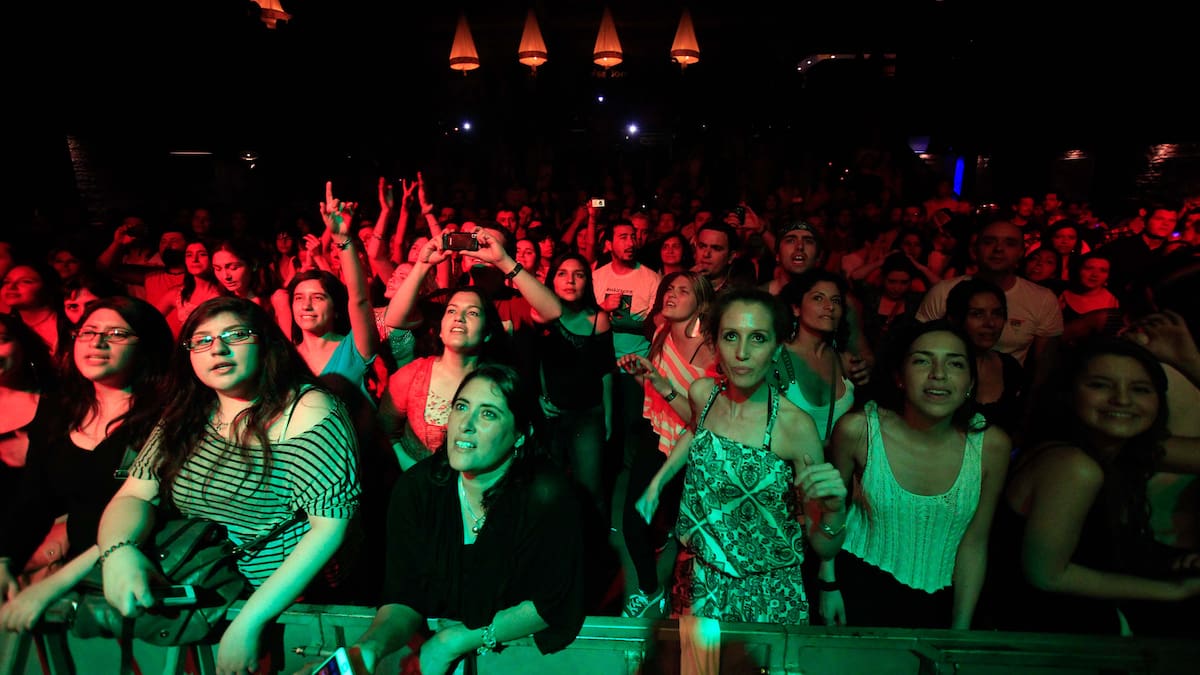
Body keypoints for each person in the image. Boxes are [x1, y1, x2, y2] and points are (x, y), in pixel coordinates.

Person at [96, 297, 360, 673]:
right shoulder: (189, 411)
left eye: (235, 335)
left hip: (286, 606)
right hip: (208, 593)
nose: (216, 348)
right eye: (201, 340)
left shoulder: (308, 409)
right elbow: (137, 493)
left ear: (266, 342)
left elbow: (329, 527)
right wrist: (119, 552)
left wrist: (250, 622)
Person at [636, 288, 847, 675]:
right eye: (731, 336)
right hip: (699, 581)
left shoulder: (792, 427)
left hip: (767, 590)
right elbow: (696, 431)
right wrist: (658, 483)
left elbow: (821, 534)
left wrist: (833, 521)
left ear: (779, 347)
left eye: (758, 338)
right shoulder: (705, 394)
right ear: (715, 342)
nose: (743, 352)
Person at [338, 365, 584, 674]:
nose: (465, 425)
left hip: (520, 658)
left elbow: (553, 600)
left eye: (488, 414)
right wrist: (370, 648)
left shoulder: (547, 495)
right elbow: (404, 595)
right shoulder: (418, 490)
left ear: (521, 435)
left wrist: (452, 642)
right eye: (461, 407)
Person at [982, 329, 1200, 636]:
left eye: (1140, 389)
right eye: (1100, 385)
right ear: (1070, 393)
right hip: (1048, 637)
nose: (1122, 399)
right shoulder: (1074, 466)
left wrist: (1190, 362)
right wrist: (1174, 590)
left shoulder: (1121, 447)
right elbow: (1047, 576)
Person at [824, 320, 1010, 629]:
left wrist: (959, 633)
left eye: (955, 363)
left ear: (970, 383)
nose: (939, 374)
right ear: (899, 376)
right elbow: (831, 514)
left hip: (942, 600)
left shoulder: (991, 445)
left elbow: (976, 541)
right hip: (859, 586)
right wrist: (827, 584)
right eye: (922, 360)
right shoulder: (858, 430)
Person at [0, 297, 171, 631]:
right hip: (81, 583)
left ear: (146, 345)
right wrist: (5, 558)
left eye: (117, 333)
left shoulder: (169, 415)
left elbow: (160, 518)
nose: (97, 342)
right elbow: (34, 500)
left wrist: (54, 585)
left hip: (142, 578)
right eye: (88, 331)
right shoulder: (58, 410)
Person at [617, 271, 716, 618]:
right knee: (633, 520)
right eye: (669, 288)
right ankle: (648, 588)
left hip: (691, 448)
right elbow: (656, 390)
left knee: (684, 525)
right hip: (656, 436)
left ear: (702, 303)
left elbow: (699, 420)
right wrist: (643, 376)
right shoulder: (662, 333)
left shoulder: (711, 351)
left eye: (683, 291)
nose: (671, 294)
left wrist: (659, 383)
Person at [535, 253, 614, 513]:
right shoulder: (541, 317)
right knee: (549, 490)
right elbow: (536, 363)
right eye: (562, 274)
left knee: (590, 491)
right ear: (552, 281)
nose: (570, 281)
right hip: (551, 414)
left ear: (587, 282)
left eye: (578, 274)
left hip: (587, 414)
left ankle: (595, 551)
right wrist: (540, 397)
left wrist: (608, 416)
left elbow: (606, 371)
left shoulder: (598, 319)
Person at [945, 279, 1025, 434]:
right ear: (954, 319)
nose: (990, 323)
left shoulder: (1010, 367)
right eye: (977, 314)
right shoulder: (938, 369)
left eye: (997, 313)